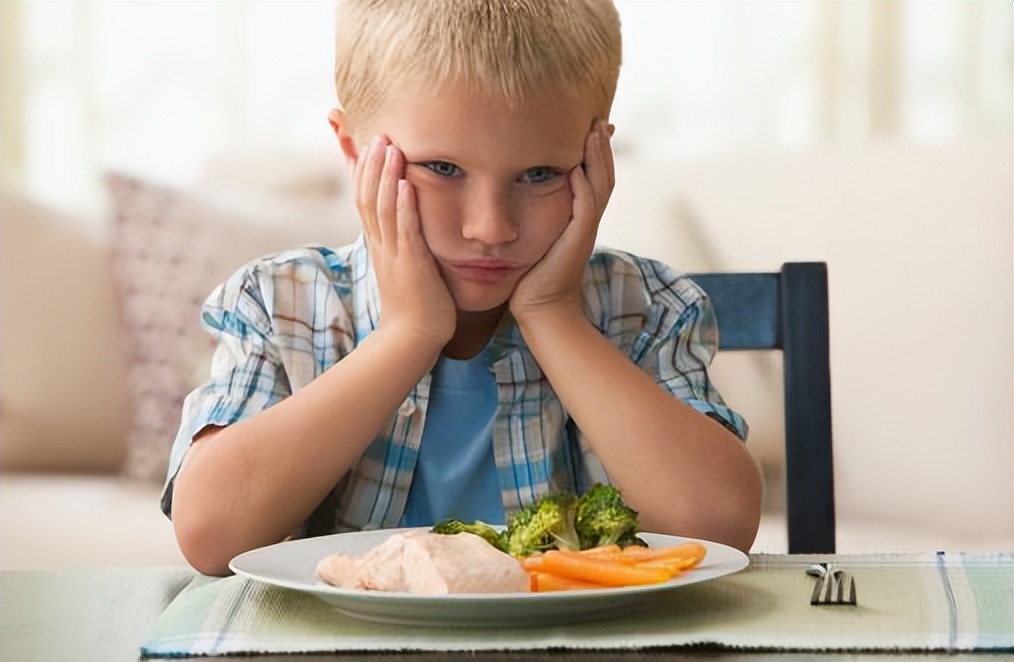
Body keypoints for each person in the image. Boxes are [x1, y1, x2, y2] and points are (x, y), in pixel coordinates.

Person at [165, 0, 762, 576]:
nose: (490, 227)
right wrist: (407, 334)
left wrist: (554, 314)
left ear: (596, 160)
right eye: (443, 169)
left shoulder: (647, 309)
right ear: (351, 149)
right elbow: (212, 536)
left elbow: (715, 528)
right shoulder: (280, 304)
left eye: (540, 174)